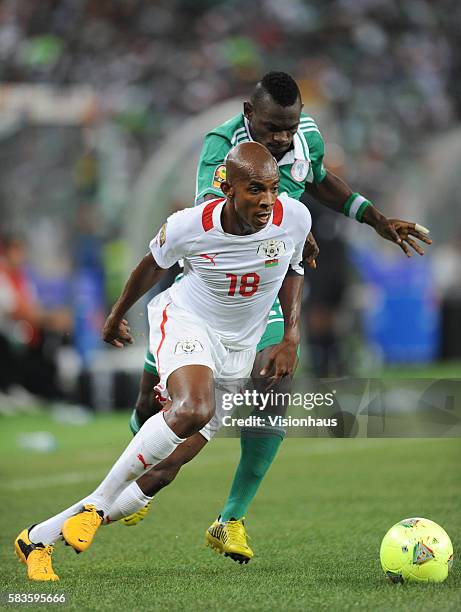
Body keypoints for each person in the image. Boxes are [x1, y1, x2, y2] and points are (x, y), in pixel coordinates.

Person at [99, 72, 431, 563]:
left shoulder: (307, 135)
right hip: (209, 292)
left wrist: (375, 219)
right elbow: (218, 220)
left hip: (269, 287)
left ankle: (228, 519)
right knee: (161, 401)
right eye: (272, 128)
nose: (281, 139)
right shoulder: (220, 148)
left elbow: (322, 181)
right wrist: (286, 226)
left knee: (269, 394)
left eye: (288, 128)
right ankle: (139, 459)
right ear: (248, 114)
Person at [15, 142, 313, 581]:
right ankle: (97, 504)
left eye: (271, 189)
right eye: (254, 190)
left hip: (239, 348)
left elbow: (295, 269)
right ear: (227, 189)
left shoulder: (294, 218)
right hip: (188, 321)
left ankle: (38, 537)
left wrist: (290, 335)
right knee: (193, 408)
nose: (267, 200)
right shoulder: (189, 226)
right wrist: (115, 316)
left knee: (164, 471)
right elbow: (149, 266)